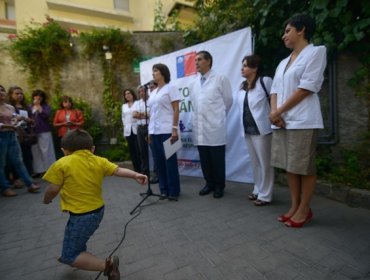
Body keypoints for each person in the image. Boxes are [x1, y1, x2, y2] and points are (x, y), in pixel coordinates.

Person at [42, 129, 147, 279]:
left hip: (81, 217)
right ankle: (74, 254)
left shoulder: (61, 163)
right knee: (77, 240)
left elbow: (53, 188)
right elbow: (118, 170)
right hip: (97, 212)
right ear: (92, 149)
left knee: (70, 255)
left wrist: (47, 199)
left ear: (64, 151)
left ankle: (107, 266)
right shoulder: (98, 160)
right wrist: (136, 174)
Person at [269, 14, 327, 228]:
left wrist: (278, 112)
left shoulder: (316, 52)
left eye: (288, 31)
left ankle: (305, 209)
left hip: (303, 120)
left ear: (301, 30)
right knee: (290, 166)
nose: (284, 35)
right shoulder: (283, 62)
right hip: (283, 121)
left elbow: (306, 88)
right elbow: (274, 89)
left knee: (304, 167)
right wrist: (274, 112)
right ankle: (294, 206)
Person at [190, 51, 233, 199]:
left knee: (217, 160)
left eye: (200, 59)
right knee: (205, 159)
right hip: (200, 128)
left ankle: (219, 186)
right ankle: (209, 183)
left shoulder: (220, 78)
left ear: (209, 61)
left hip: (215, 127)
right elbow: (195, 105)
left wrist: (218, 117)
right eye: (195, 60)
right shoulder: (194, 83)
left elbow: (228, 101)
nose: (196, 62)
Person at [238, 55, 274, 206]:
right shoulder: (242, 86)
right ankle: (257, 189)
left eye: (246, 65)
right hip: (247, 130)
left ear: (255, 68)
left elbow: (275, 101)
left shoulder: (265, 81)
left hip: (262, 129)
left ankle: (266, 195)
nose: (242, 68)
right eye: (243, 65)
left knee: (265, 163)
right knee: (255, 162)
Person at [147, 63, 181, 201]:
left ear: (163, 73)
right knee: (159, 162)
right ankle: (163, 190)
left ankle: (173, 191)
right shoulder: (153, 92)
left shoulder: (171, 88)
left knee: (170, 162)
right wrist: (149, 132)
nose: (153, 73)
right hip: (155, 132)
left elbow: (176, 109)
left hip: (167, 130)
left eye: (155, 71)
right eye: (153, 71)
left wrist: (174, 129)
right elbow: (152, 114)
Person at [0, 84, 40, 197]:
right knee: (1, 163)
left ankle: (29, 184)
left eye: (2, 90)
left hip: (12, 136)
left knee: (18, 161)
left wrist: (22, 120)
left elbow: (15, 117)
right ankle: (5, 187)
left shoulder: (9, 107)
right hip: (1, 137)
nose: (1, 93)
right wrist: (7, 126)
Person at [7, 86, 35, 182]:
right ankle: (17, 178)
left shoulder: (26, 107)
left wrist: (28, 120)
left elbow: (32, 120)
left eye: (21, 93)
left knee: (28, 156)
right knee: (16, 157)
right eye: (17, 93)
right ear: (11, 95)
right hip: (14, 134)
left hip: (26, 134)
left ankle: (29, 176)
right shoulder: (9, 107)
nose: (19, 95)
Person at [30, 89, 56, 177]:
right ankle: (39, 170)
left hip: (44, 131)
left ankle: (49, 170)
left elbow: (46, 115)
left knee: (46, 151)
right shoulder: (30, 106)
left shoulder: (46, 106)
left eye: (40, 96)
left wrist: (38, 106)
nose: (38, 97)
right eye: (36, 95)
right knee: (35, 151)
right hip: (33, 132)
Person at [121, 88, 141, 172]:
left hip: (137, 129)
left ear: (132, 94)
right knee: (132, 150)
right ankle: (136, 169)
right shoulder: (124, 106)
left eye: (129, 93)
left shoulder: (138, 103)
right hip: (128, 131)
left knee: (138, 150)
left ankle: (142, 168)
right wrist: (124, 128)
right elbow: (123, 118)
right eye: (126, 94)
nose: (127, 95)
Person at [133, 85, 150, 177]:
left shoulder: (151, 101)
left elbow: (151, 115)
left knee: (153, 151)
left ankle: (156, 172)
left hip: (149, 127)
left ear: (147, 91)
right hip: (140, 128)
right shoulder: (137, 103)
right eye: (139, 92)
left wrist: (141, 114)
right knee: (142, 151)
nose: (141, 93)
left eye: (143, 91)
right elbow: (134, 115)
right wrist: (145, 114)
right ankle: (145, 171)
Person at [147, 80, 159, 184]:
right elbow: (151, 117)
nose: (150, 89)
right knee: (155, 154)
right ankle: (157, 175)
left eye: (152, 87)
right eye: (149, 88)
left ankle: (162, 175)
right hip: (153, 131)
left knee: (163, 155)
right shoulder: (151, 100)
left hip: (163, 131)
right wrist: (149, 133)